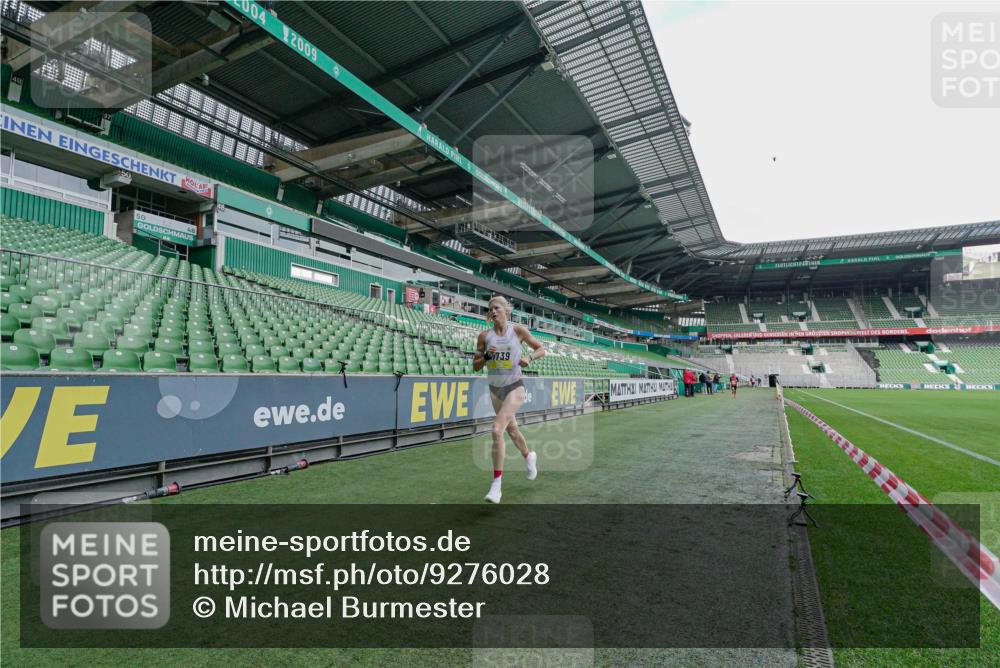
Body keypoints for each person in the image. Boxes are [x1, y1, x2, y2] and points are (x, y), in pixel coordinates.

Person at [472, 295, 544, 504]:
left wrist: (529, 358)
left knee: (496, 430)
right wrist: (486, 357)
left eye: (497, 308)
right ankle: (529, 456)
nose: (493, 311)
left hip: (515, 387)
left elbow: (541, 349)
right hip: (495, 390)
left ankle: (496, 486)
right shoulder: (484, 336)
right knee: (512, 430)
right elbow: (475, 365)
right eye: (490, 309)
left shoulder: (518, 331)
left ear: (506, 310)